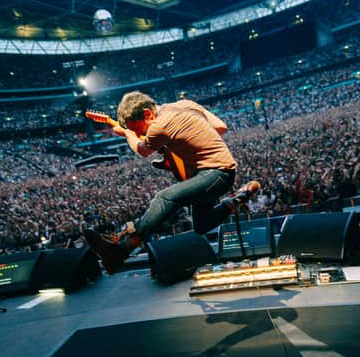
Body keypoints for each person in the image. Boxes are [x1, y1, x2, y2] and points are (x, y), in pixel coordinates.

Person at [84, 91, 259, 274]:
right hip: (210, 174)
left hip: (217, 174)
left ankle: (123, 247)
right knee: (202, 226)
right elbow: (220, 127)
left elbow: (143, 150)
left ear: (147, 114)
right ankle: (236, 200)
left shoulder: (159, 126)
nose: (141, 133)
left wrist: (130, 135)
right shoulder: (185, 104)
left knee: (165, 197)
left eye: (140, 129)